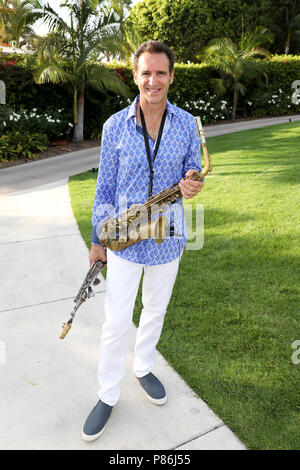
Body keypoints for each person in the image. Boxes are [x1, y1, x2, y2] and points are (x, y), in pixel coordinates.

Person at [82, 40, 204, 442]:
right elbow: (104, 190)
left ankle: (144, 366)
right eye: (146, 72)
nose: (154, 80)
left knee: (154, 309)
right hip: (124, 238)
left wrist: (192, 181)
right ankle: (107, 393)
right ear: (135, 76)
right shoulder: (114, 125)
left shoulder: (187, 123)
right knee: (116, 321)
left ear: (171, 76)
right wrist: (99, 239)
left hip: (167, 237)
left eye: (161, 73)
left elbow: (191, 164)